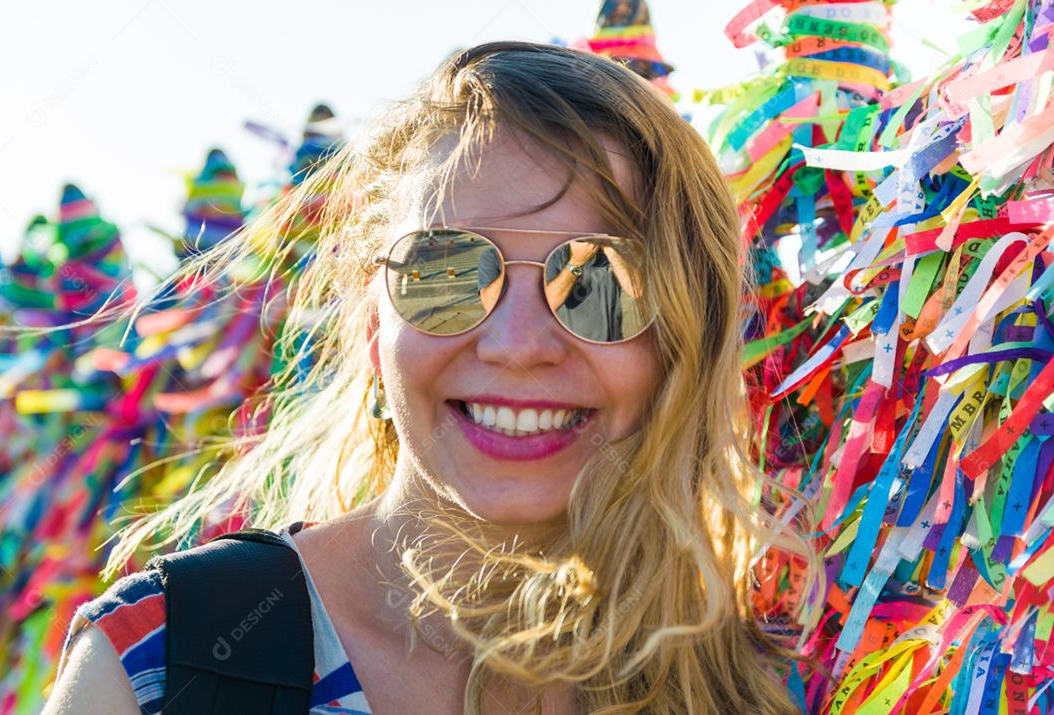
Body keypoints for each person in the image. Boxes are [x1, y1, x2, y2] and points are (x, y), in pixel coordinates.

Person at [43, 41, 818, 715]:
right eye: (445, 273)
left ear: (684, 340)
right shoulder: (164, 662)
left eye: (600, 281)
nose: (518, 345)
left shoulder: (768, 682)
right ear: (376, 324)